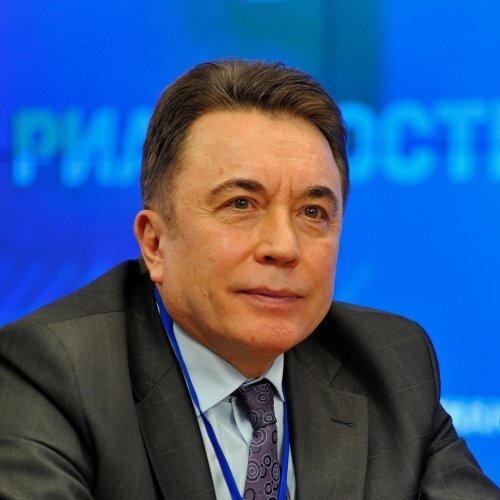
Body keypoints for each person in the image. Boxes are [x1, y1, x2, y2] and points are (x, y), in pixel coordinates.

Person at [0, 60, 497, 500]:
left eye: (312, 211)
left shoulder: (390, 365)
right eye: (241, 204)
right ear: (154, 243)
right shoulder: (52, 374)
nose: (283, 247)